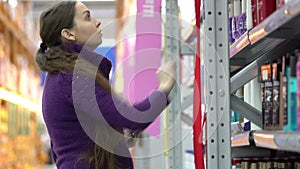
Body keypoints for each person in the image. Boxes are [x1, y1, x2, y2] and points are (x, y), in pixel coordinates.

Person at [35, 1, 176, 169]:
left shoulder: (63, 75)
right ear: (68, 34)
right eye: (87, 18)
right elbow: (132, 116)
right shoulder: (72, 78)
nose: (97, 21)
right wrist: (164, 87)